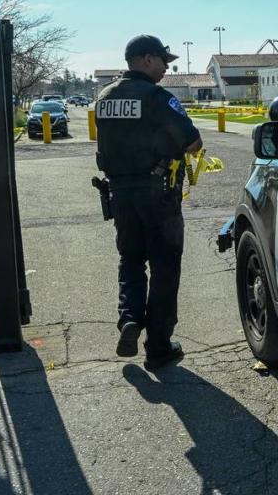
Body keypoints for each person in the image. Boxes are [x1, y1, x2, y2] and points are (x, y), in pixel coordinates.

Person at [95, 34, 203, 370]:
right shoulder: (157, 98)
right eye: (162, 60)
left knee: (130, 259)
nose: (166, 67)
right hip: (158, 196)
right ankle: (158, 347)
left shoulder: (105, 96)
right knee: (164, 267)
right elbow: (193, 142)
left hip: (120, 195)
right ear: (145, 59)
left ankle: (129, 318)